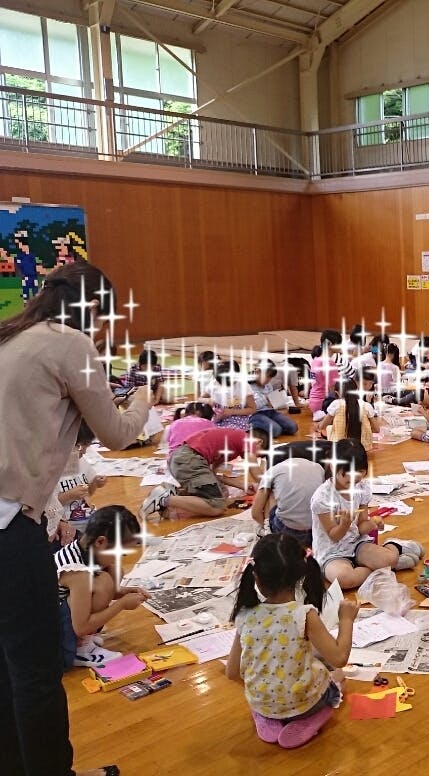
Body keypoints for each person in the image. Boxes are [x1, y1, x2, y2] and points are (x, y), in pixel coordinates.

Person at [0, 261, 149, 776]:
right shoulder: (70, 342)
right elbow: (118, 434)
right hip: (9, 525)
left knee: (8, 668)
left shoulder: (13, 337)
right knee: (37, 673)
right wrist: (144, 399)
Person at [226, 534, 358, 749]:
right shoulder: (303, 614)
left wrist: (266, 692)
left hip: (260, 702)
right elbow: (339, 657)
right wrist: (346, 619)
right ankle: (312, 718)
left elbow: (232, 673)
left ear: (256, 577)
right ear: (301, 574)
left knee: (300, 671)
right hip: (304, 704)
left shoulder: (245, 615)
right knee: (339, 678)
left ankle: (267, 716)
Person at [311, 444, 424, 589]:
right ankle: (385, 569)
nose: (352, 485)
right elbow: (333, 536)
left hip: (356, 543)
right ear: (333, 467)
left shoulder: (362, 488)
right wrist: (344, 524)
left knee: (389, 558)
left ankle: (395, 547)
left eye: (357, 479)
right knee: (343, 579)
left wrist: (372, 523)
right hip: (331, 552)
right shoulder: (322, 497)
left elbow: (361, 527)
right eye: (348, 480)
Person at [55, 506, 146, 670]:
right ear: (100, 542)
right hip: (50, 635)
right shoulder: (77, 572)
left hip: (59, 612)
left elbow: (90, 594)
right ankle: (81, 649)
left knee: (113, 571)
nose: (118, 558)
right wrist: (121, 604)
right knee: (103, 581)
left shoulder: (84, 548)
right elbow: (81, 627)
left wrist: (125, 593)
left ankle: (84, 641)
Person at [141, 427, 267, 520]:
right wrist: (268, 486)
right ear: (259, 442)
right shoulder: (248, 439)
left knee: (222, 493)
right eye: (259, 455)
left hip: (182, 459)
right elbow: (255, 470)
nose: (256, 457)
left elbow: (212, 473)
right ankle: (164, 499)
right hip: (189, 459)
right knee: (217, 506)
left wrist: (242, 486)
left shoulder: (232, 444)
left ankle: (174, 493)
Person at [250, 453, 326, 547]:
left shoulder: (273, 470)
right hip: (316, 532)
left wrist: (264, 524)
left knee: (269, 492)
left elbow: (255, 513)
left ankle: (268, 530)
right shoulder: (319, 468)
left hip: (286, 533)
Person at [249, 362, 300, 440]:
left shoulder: (268, 385)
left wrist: (276, 403)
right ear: (257, 372)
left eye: (270, 377)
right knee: (276, 430)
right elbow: (250, 406)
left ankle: (269, 426)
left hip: (270, 412)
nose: (268, 380)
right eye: (267, 376)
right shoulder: (248, 386)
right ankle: (252, 426)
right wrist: (266, 399)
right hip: (255, 414)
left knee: (293, 427)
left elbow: (271, 401)